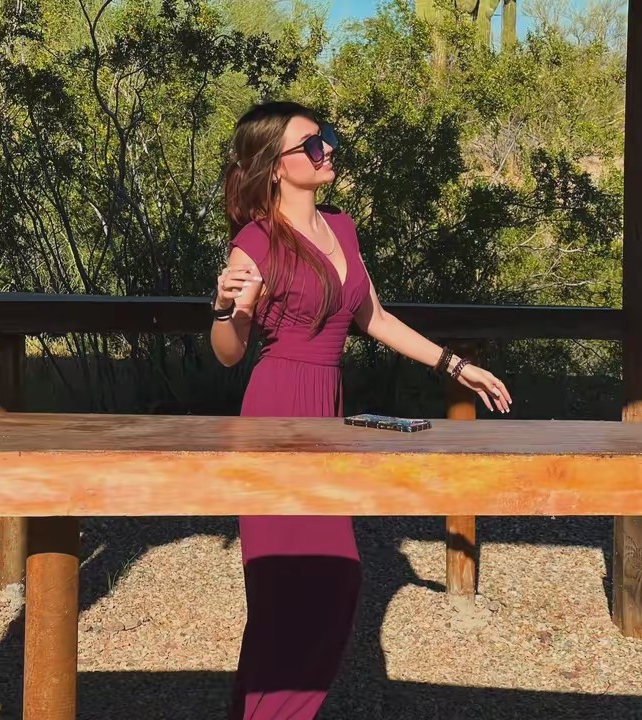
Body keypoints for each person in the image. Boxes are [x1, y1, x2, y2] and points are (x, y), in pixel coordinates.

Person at [210, 101, 512, 720]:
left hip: (327, 407)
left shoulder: (341, 228)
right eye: (311, 144)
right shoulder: (256, 242)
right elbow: (229, 351)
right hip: (276, 410)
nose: (327, 150)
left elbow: (374, 317)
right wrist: (221, 309)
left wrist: (454, 365)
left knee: (314, 585)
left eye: (326, 137)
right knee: (305, 584)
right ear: (276, 166)